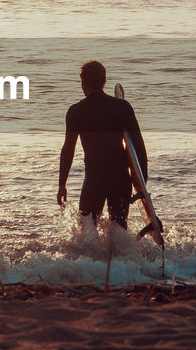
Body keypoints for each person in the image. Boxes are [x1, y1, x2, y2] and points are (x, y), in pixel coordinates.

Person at [57, 60, 148, 231]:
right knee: (119, 229)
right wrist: (143, 183)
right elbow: (138, 146)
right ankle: (120, 256)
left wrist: (62, 184)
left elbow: (68, 149)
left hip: (94, 180)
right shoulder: (123, 108)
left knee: (86, 230)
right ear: (104, 81)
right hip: (120, 179)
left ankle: (90, 258)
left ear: (83, 82)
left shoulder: (76, 111)